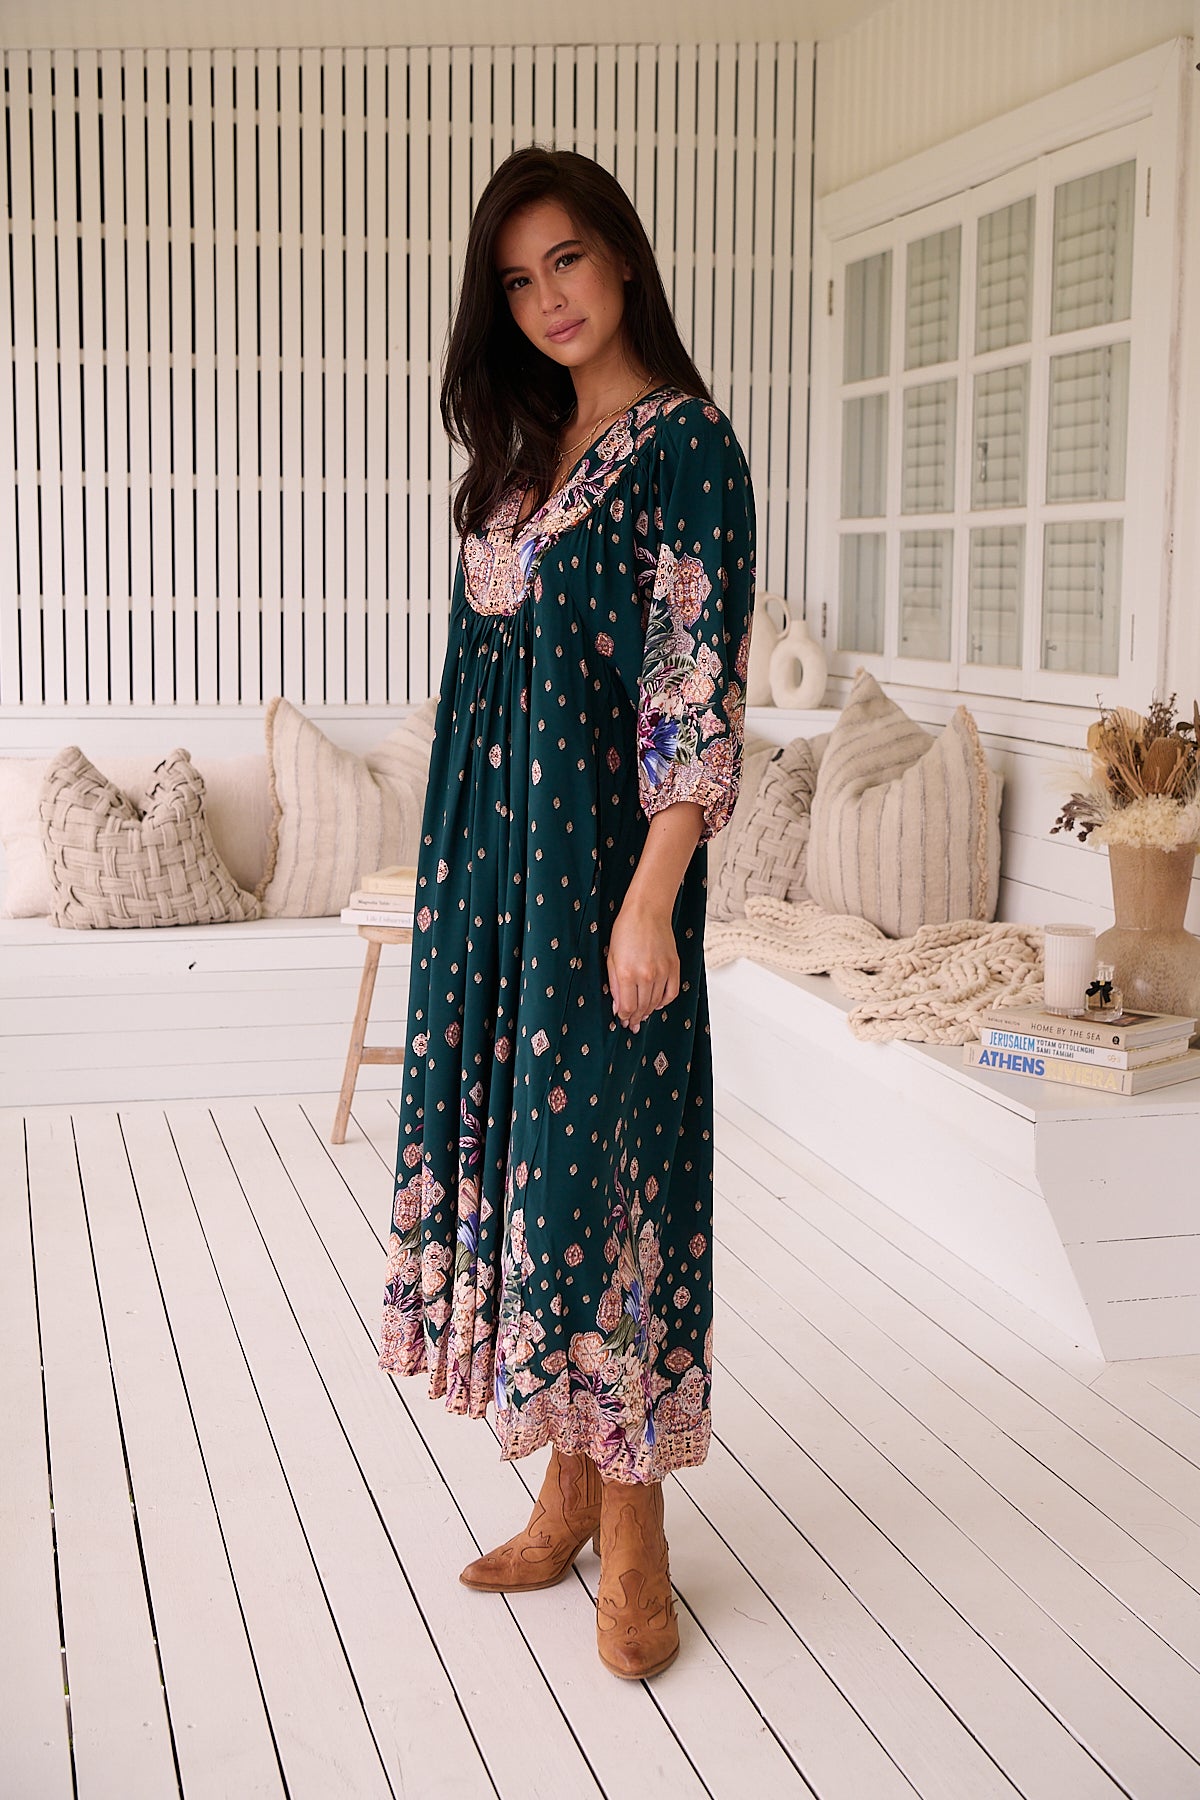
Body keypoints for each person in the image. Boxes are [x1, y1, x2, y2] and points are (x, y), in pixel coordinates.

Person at [378, 144, 756, 1681]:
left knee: (620, 1193)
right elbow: (490, 684)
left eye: (569, 263)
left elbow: (692, 698)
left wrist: (650, 902)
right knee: (539, 1180)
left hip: (606, 879)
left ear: (625, 260)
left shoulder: (689, 451)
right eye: (517, 279)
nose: (546, 300)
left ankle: (641, 1528)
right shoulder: (527, 450)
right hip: (490, 883)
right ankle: (567, 1487)